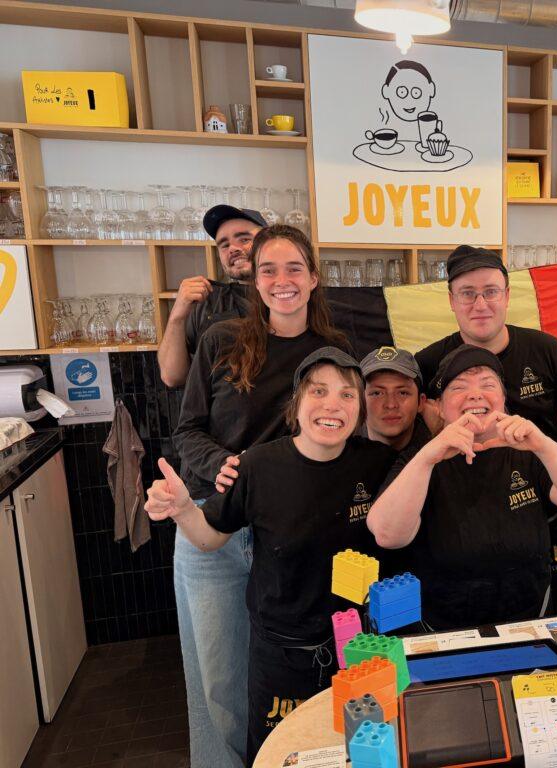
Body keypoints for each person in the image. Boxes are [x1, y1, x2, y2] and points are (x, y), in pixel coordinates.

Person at [148, 348, 394, 765]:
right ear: (296, 404)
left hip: (358, 649)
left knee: (360, 754)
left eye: (347, 394)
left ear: (359, 411)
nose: (332, 405)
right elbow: (210, 538)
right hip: (282, 655)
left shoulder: (376, 463)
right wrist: (184, 510)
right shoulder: (258, 466)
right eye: (319, 391)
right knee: (281, 756)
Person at [171, 224, 349, 768]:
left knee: (287, 673)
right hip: (214, 525)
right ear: (255, 280)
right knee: (219, 682)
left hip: (291, 531)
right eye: (268, 269)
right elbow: (187, 430)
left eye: (294, 268)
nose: (281, 280)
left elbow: (345, 430)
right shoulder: (220, 340)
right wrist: (222, 465)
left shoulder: (334, 351)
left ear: (313, 277)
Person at [367, 344, 557, 630]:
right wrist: (428, 457)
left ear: (503, 400)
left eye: (487, 385)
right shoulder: (420, 459)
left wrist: (541, 443)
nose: (475, 394)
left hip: (531, 622)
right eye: (459, 387)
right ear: (439, 407)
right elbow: (388, 535)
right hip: (445, 630)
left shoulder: (528, 452)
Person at [415, 245, 557, 613]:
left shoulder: (546, 350)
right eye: (467, 293)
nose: (480, 304)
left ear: (508, 296)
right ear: (451, 300)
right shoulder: (428, 363)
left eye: (491, 292)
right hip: (466, 529)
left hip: (553, 516)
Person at [158, 205, 266, 387]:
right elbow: (172, 377)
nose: (233, 248)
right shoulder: (206, 301)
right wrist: (177, 316)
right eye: (224, 245)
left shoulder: (293, 297)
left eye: (245, 239)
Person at [360, 346, 432, 454]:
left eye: (402, 393)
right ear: (358, 402)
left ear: (421, 402)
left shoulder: (443, 449)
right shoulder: (340, 445)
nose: (391, 405)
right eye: (377, 393)